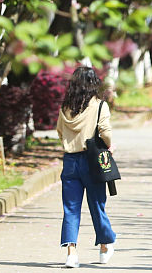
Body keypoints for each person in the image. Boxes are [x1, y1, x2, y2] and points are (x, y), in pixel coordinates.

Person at [56, 66, 117, 268]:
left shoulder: (65, 108)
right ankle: (104, 247)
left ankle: (71, 254)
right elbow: (105, 131)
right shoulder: (99, 105)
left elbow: (59, 132)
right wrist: (108, 145)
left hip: (70, 161)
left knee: (71, 209)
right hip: (91, 161)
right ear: (94, 84)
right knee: (97, 205)